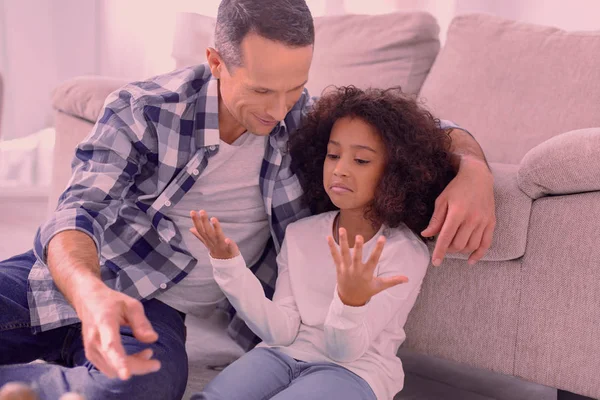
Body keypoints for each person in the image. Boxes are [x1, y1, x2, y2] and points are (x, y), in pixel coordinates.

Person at [0, 0, 495, 399]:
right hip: (83, 278)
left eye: (294, 87)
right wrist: (91, 295)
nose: (279, 110)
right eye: (261, 90)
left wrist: (473, 168)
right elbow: (77, 212)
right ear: (216, 61)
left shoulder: (305, 121)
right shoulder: (144, 110)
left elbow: (418, 131)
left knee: (147, 385)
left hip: (152, 308)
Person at [191, 86, 457, 400]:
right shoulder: (300, 234)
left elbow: (344, 351)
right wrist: (230, 267)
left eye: (361, 160)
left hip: (355, 371)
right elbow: (281, 331)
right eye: (333, 155)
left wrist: (350, 302)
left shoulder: (404, 252)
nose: (340, 169)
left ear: (396, 173)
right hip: (279, 354)